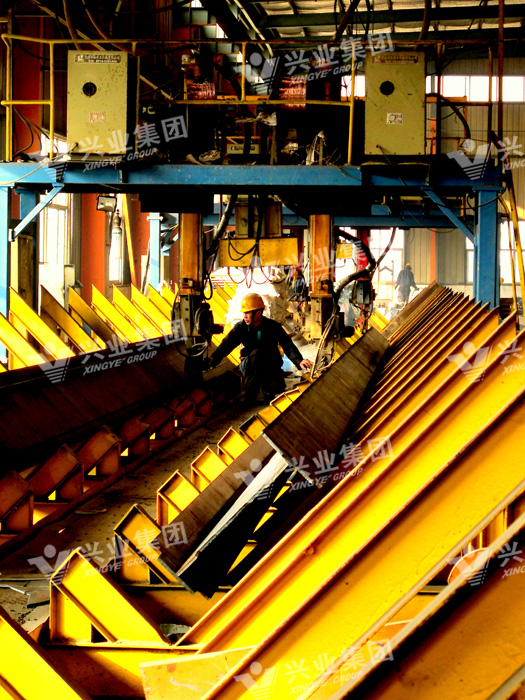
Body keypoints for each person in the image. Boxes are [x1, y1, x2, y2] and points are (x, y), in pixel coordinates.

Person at [209, 292, 313, 406]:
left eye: (247, 313)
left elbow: (288, 345)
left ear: (258, 313)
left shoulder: (273, 327)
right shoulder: (241, 328)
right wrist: (214, 358)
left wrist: (299, 361)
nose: (245, 316)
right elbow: (227, 344)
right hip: (249, 365)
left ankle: (267, 390)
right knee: (257, 354)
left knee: (276, 388)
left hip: (269, 365)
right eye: (244, 313)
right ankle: (250, 396)